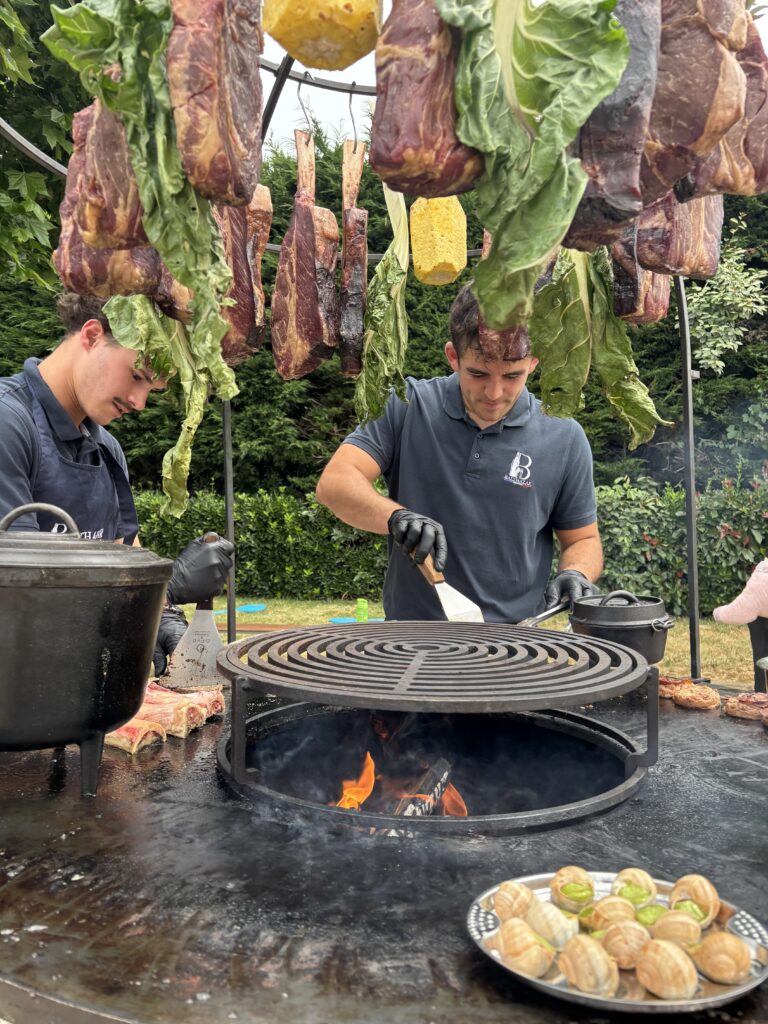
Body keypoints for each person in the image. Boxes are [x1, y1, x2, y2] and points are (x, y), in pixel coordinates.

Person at [316, 284, 603, 623]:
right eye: (478, 373)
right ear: (453, 356)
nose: (494, 393)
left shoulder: (564, 436)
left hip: (518, 640)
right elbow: (336, 482)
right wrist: (395, 517)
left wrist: (576, 572)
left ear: (533, 363)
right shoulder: (406, 405)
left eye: (513, 375)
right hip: (409, 637)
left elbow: (583, 538)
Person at [0, 291, 233, 675]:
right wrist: (167, 586)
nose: (139, 402)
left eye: (151, 389)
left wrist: (162, 615)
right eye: (137, 376)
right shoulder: (9, 423)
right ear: (92, 336)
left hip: (76, 685)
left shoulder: (107, 449)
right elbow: (23, 592)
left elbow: (124, 556)